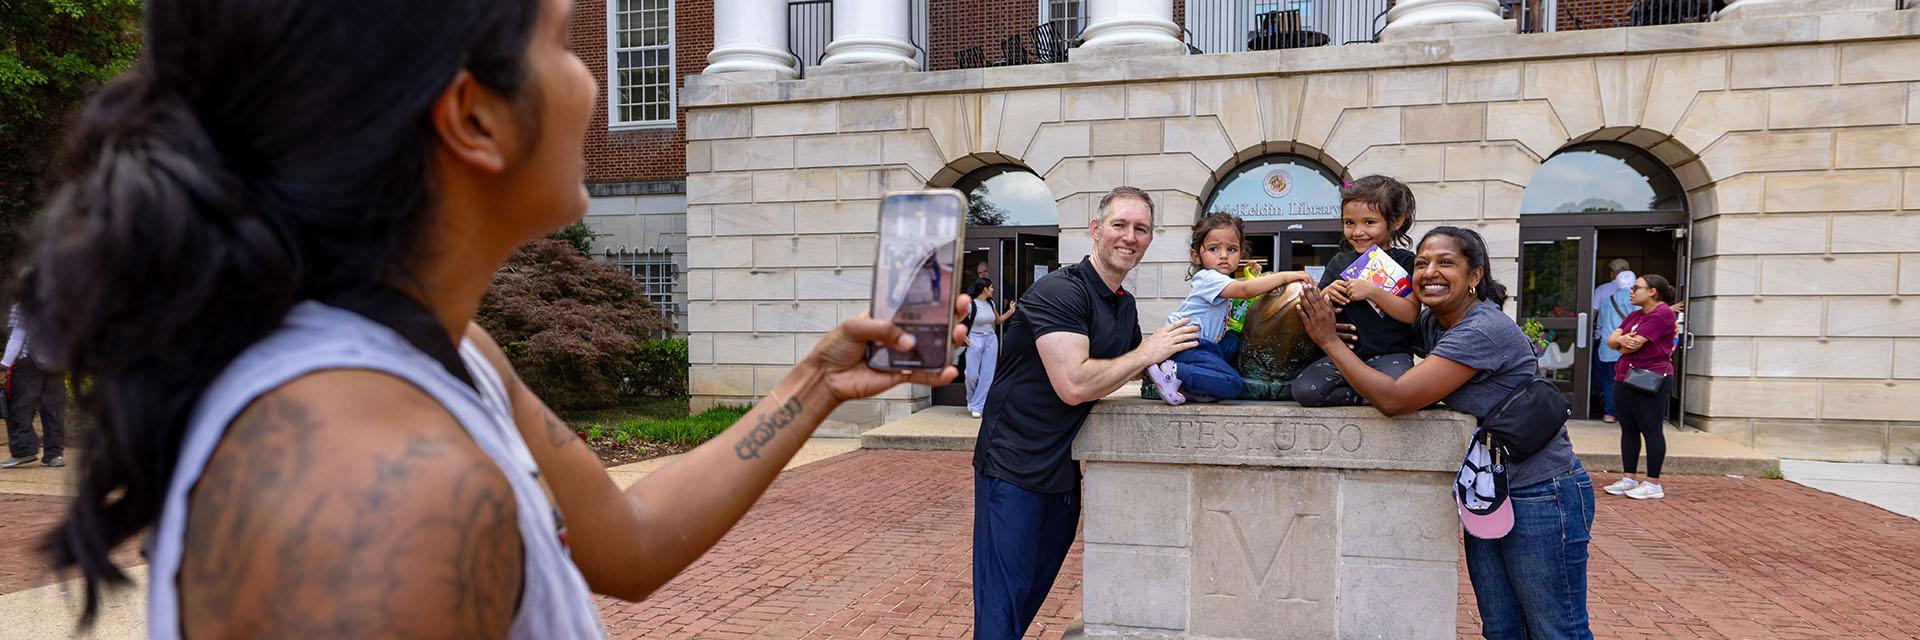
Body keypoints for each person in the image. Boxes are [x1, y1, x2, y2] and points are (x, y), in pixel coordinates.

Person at [21, 1, 973, 635]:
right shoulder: (374, 496)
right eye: (561, 42)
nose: (589, 81)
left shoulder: (448, 351)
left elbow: (629, 541)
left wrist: (816, 385)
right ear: (473, 116)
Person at [1298, 226, 1593, 640]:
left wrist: (1328, 339)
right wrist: (1343, 307)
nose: (1429, 272)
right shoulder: (1438, 323)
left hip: (1543, 493)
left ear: (1475, 275)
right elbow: (1389, 330)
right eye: (1421, 263)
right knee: (1503, 627)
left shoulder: (1481, 329)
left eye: (1446, 262)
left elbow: (1396, 398)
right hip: (1491, 491)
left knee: (1555, 630)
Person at [972, 186, 1199, 640]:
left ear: (1150, 240)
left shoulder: (1123, 304)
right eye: (1120, 225)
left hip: (1062, 469)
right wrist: (1147, 351)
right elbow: (1075, 384)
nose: (1129, 236)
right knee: (1002, 604)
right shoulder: (1060, 290)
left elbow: (1117, 374)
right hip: (1012, 467)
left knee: (1029, 596)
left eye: (1141, 229)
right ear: (1096, 230)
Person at [1145, 211, 1310, 404]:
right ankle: (1173, 371)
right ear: (1196, 255)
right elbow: (1245, 290)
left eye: (1231, 250)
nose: (1223, 255)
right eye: (1214, 249)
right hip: (1186, 346)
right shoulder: (1208, 278)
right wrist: (1285, 276)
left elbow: (1244, 288)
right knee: (1233, 383)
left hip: (1204, 344)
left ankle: (1191, 381)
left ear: (1241, 253)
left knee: (1234, 339)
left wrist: (1254, 274)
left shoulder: (1221, 281)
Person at [1292, 176, 1420, 407]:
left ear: (1397, 221)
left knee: (1400, 385)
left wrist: (1373, 291)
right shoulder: (1339, 262)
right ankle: (1364, 396)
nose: (1358, 232)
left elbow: (1410, 313)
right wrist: (1326, 295)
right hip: (1345, 355)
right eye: (1349, 223)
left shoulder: (1406, 262)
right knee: (1304, 390)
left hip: (1390, 356)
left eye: (1369, 222)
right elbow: (1316, 311)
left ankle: (1375, 392)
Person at [1603, 274, 1679, 501]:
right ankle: (1629, 478)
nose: (1632, 291)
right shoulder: (1637, 314)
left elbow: (1629, 346)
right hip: (1624, 375)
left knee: (1651, 428)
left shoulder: (1662, 313)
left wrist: (1621, 341)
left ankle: (1654, 483)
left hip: (1650, 376)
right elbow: (1611, 340)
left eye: (1637, 288)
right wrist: (1619, 341)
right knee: (1628, 428)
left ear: (1652, 291)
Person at [2, 303, 66, 468]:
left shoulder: (23, 303)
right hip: (56, 361)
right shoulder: (62, 300)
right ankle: (54, 455)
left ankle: (24, 450)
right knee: (53, 408)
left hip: (29, 362)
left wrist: (4, 364)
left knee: (20, 406)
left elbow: (17, 337)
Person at [963, 278, 1015, 419]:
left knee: (987, 376)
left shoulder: (991, 303)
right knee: (971, 375)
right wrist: (963, 336)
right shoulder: (970, 305)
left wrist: (1010, 312)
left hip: (991, 339)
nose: (993, 290)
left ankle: (978, 407)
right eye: (991, 287)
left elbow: (997, 321)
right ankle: (971, 399)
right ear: (984, 289)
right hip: (975, 339)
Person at [1590, 259, 1634, 423]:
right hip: (1630, 347)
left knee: (1610, 381)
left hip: (1608, 347)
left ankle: (1609, 413)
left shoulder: (1606, 298)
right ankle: (1627, 413)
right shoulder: (1635, 301)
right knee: (1631, 380)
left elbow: (1598, 323)